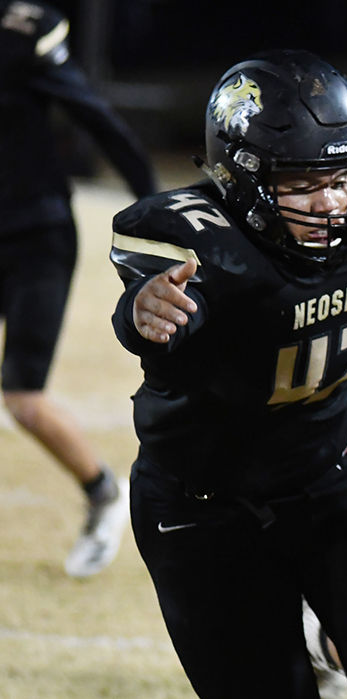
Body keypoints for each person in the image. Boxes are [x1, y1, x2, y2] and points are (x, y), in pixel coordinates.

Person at [109, 50, 347, 699]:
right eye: (302, 184)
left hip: (334, 466)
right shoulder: (200, 238)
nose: (331, 202)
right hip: (204, 505)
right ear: (239, 179)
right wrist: (145, 312)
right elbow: (148, 310)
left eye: (341, 178)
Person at [0, 0, 156, 577]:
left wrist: (152, 203)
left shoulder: (20, 32)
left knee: (24, 399)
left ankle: (102, 493)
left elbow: (93, 115)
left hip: (33, 236)